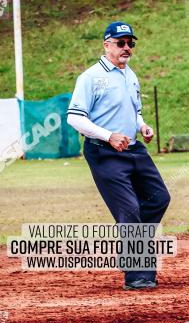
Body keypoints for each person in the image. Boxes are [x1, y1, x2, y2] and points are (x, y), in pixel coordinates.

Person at [66, 21, 170, 290]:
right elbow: (75, 118)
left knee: (159, 198)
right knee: (129, 210)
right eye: (121, 43)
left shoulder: (130, 75)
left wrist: (142, 126)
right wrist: (108, 135)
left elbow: (134, 112)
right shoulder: (90, 77)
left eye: (130, 43)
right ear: (106, 45)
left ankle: (130, 250)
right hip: (104, 152)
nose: (127, 48)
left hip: (133, 148)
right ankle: (138, 275)